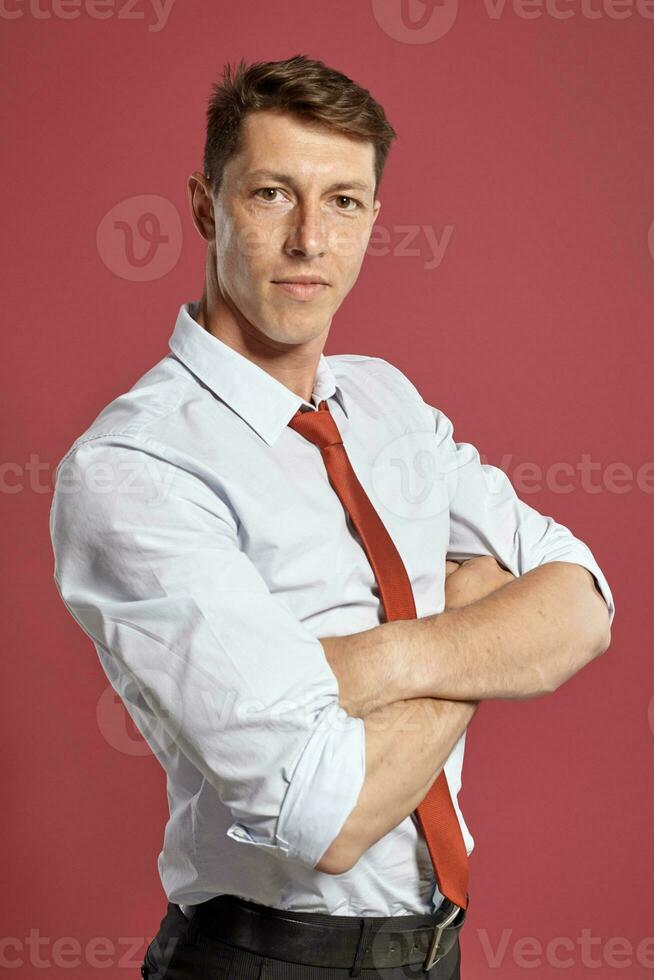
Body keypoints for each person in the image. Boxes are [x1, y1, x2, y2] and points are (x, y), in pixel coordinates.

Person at [49, 54, 615, 979]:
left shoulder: (387, 403)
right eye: (273, 194)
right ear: (204, 206)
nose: (311, 239)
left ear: (373, 222)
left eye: (345, 202)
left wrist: (388, 658)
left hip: (436, 946)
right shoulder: (137, 468)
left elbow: (585, 603)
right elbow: (335, 814)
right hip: (265, 959)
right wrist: (480, 627)